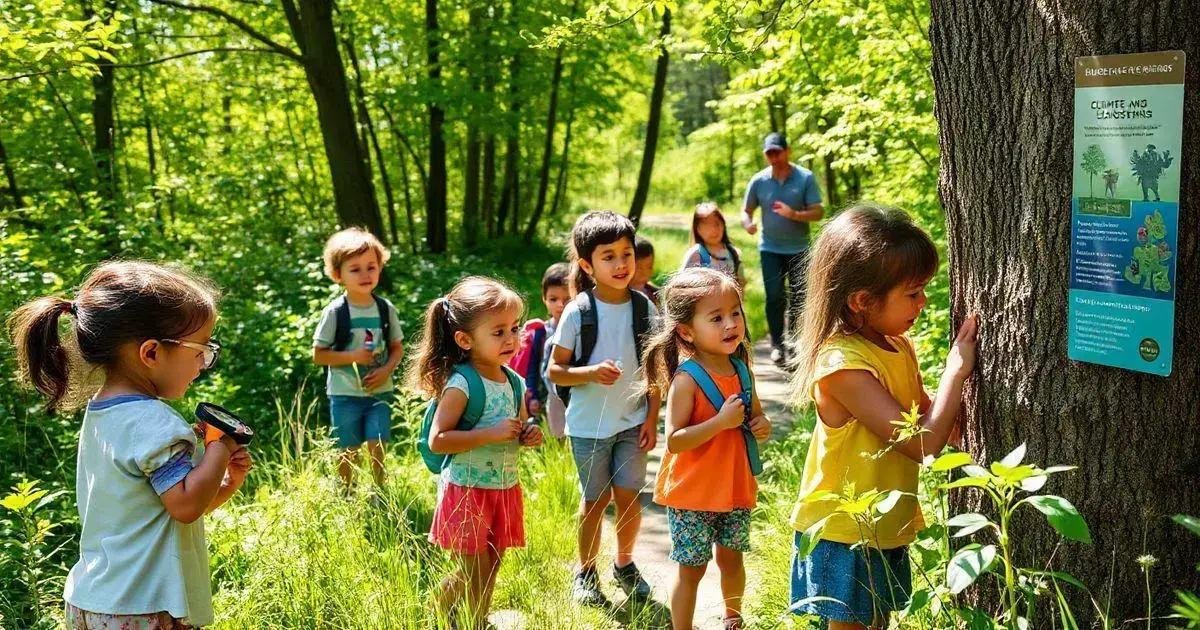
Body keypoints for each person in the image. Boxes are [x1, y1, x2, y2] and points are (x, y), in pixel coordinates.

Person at [7, 261, 252, 629]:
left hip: (96, 599)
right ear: (151, 353)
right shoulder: (154, 422)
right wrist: (219, 445)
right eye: (199, 349)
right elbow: (185, 504)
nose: (203, 363)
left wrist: (225, 483)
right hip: (144, 607)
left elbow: (165, 512)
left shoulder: (104, 413)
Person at [788, 204, 978, 629]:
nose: (924, 301)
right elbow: (923, 443)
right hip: (844, 531)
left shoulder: (896, 344)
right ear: (861, 301)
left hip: (883, 524)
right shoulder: (843, 365)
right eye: (912, 293)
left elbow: (934, 421)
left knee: (880, 621)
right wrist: (955, 370)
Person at [409, 276, 544, 629]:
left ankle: (470, 615)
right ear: (465, 340)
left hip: (502, 487)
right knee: (475, 569)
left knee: (492, 564)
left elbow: (514, 427)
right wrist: (490, 433)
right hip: (467, 489)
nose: (511, 339)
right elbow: (439, 439)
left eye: (514, 329)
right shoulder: (462, 384)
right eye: (498, 332)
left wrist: (527, 434)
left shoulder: (514, 381)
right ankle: (461, 617)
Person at [643, 267, 771, 630]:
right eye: (716, 318)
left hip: (733, 487)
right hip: (693, 492)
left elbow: (756, 416)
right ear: (686, 331)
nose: (731, 323)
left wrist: (761, 426)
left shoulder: (742, 370)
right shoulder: (687, 379)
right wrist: (719, 424)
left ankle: (733, 618)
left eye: (735, 313)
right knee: (692, 567)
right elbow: (675, 440)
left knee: (732, 559)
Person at [547, 210, 661, 606]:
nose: (620, 264)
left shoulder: (646, 308)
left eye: (626, 253)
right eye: (608, 256)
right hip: (588, 426)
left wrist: (653, 417)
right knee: (594, 501)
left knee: (630, 497)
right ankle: (586, 571)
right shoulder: (579, 311)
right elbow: (556, 370)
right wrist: (591, 371)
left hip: (633, 423)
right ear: (586, 264)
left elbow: (656, 370)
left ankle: (625, 564)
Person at [312, 228, 404, 488]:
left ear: (380, 268)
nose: (365, 274)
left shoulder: (386, 309)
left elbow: (397, 347)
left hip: (380, 391)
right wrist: (353, 356)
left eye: (371, 267)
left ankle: (380, 491)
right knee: (348, 448)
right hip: (345, 394)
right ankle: (347, 493)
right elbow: (318, 355)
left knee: (378, 444)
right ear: (338, 275)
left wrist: (386, 369)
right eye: (355, 269)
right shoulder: (335, 313)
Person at [741, 132, 824, 368]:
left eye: (777, 152)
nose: (774, 157)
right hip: (770, 248)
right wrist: (748, 224)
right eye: (769, 153)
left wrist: (795, 214)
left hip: (799, 248)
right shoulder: (759, 181)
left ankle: (796, 343)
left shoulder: (804, 178)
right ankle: (777, 344)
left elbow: (818, 211)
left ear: (787, 151)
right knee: (775, 296)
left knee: (798, 297)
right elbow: (746, 210)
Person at [681, 201, 746, 288]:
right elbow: (682, 286)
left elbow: (741, 285)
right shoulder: (696, 254)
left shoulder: (733, 253)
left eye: (716, 224)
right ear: (698, 229)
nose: (713, 230)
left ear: (723, 224)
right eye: (707, 226)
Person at [632, 235, 661, 306]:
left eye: (649, 267)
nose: (644, 273)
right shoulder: (616, 296)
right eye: (639, 268)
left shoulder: (655, 295)